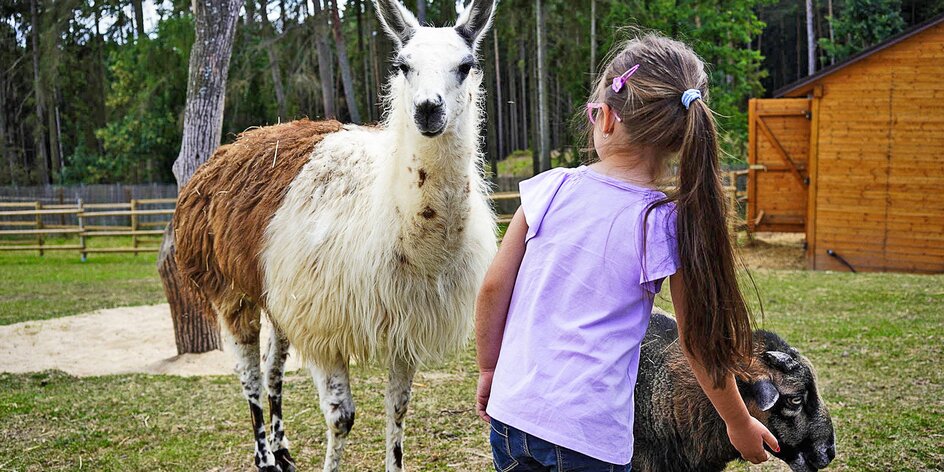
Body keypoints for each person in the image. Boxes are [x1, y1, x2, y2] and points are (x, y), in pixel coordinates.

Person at [474, 33, 780, 471]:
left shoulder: (549, 189)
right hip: (590, 439)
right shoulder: (664, 223)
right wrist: (739, 423)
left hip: (513, 417)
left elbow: (491, 289)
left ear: (607, 119)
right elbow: (696, 341)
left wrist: (489, 370)